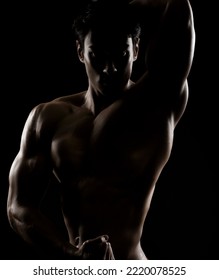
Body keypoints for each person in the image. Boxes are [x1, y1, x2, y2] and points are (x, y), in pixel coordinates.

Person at [7, 0, 195, 260]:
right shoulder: (47, 119)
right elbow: (19, 206)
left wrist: (125, 8)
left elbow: (178, 12)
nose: (110, 69)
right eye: (98, 55)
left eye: (121, 55)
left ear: (137, 49)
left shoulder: (155, 107)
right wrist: (71, 254)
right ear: (80, 52)